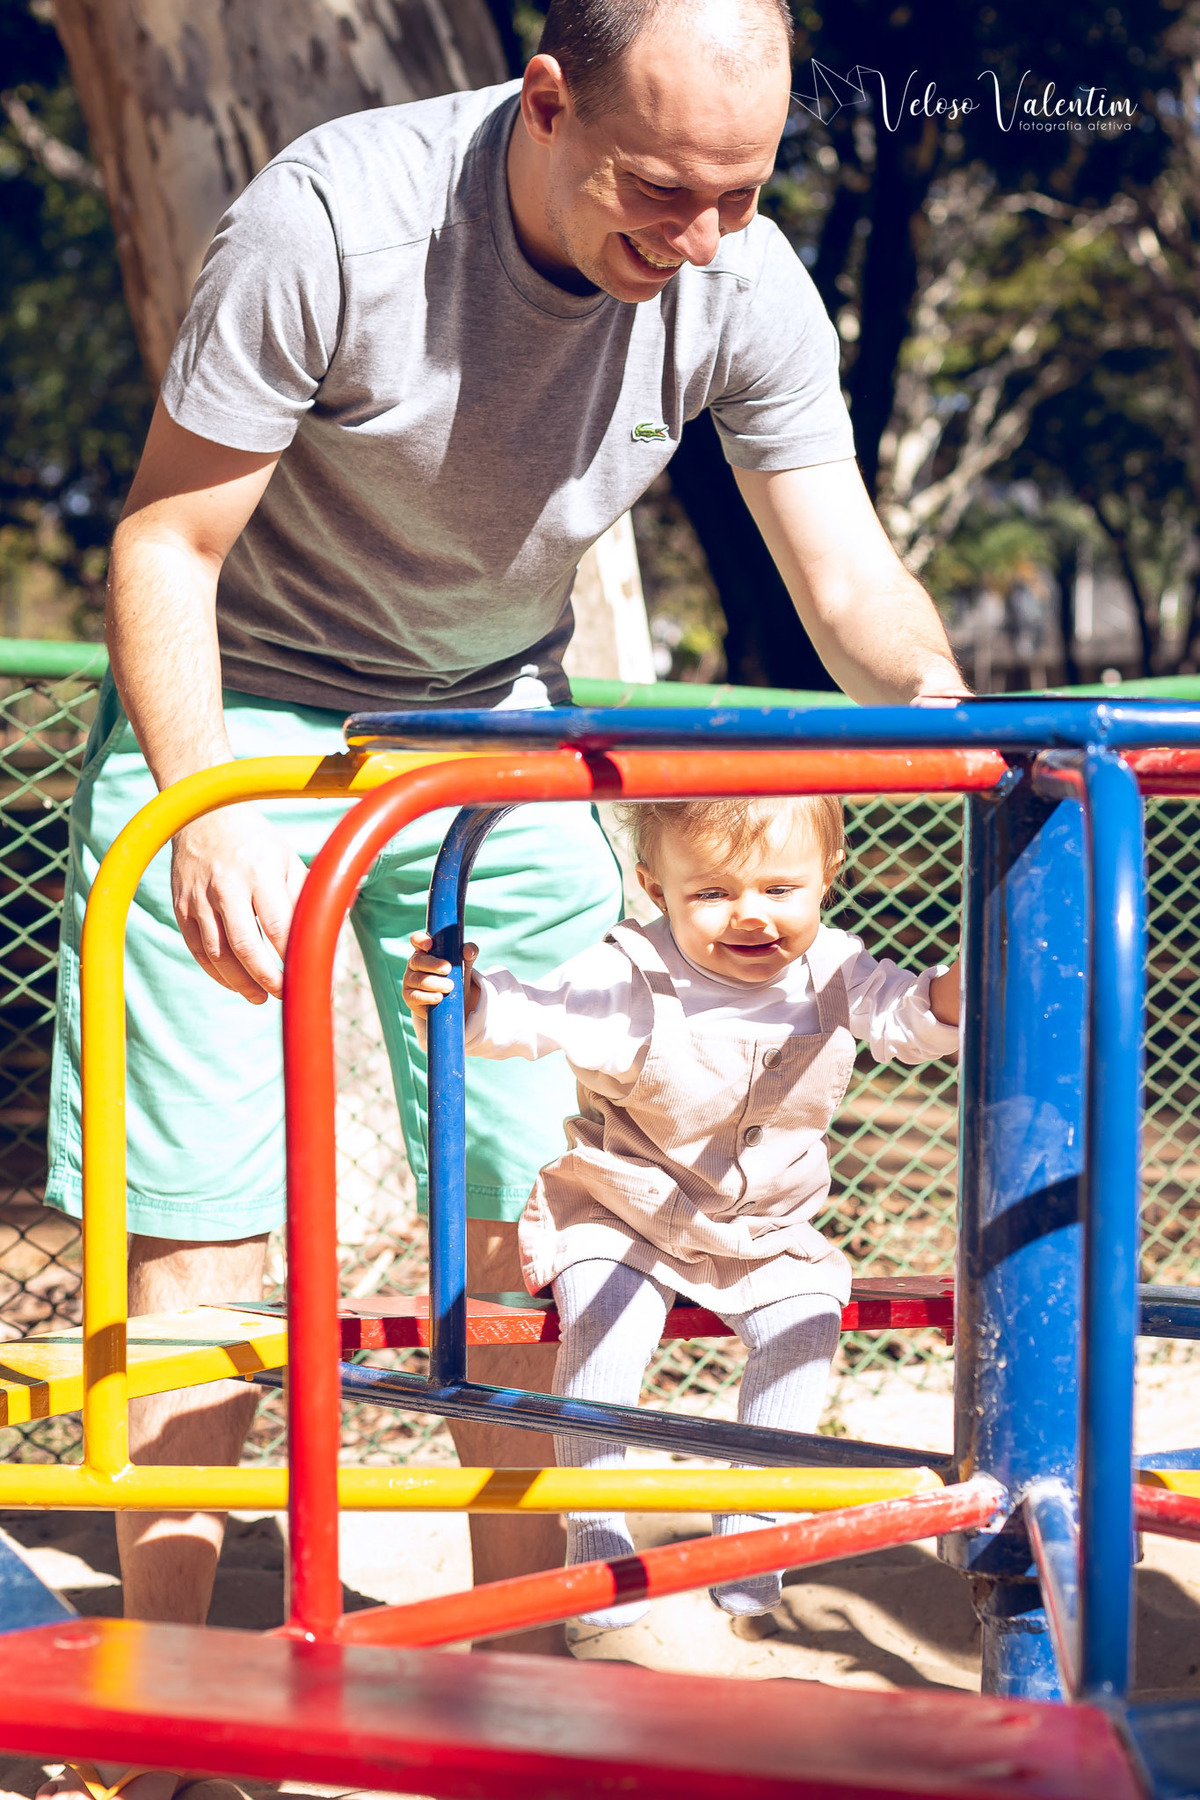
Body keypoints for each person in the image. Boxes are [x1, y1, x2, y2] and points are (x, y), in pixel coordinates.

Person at [38, 0, 968, 1784]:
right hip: (238, 721)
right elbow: (163, 540)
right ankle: (151, 1711)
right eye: (663, 193)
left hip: (492, 729)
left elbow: (845, 571)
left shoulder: (741, 273)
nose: (701, 240)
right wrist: (200, 803)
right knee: (204, 1233)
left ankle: (509, 1663)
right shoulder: (338, 222)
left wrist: (942, 718)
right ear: (546, 104)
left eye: (739, 192)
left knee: (545, 1213)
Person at [402, 792, 961, 1630]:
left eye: (780, 889)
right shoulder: (630, 973)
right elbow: (528, 1017)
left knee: (810, 1322)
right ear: (655, 888)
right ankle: (596, 1522)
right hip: (624, 1210)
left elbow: (913, 1020)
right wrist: (466, 998)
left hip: (762, 1231)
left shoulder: (837, 970)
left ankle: (752, 1513)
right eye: (711, 893)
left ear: (828, 880)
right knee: (606, 1316)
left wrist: (967, 979)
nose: (750, 916)